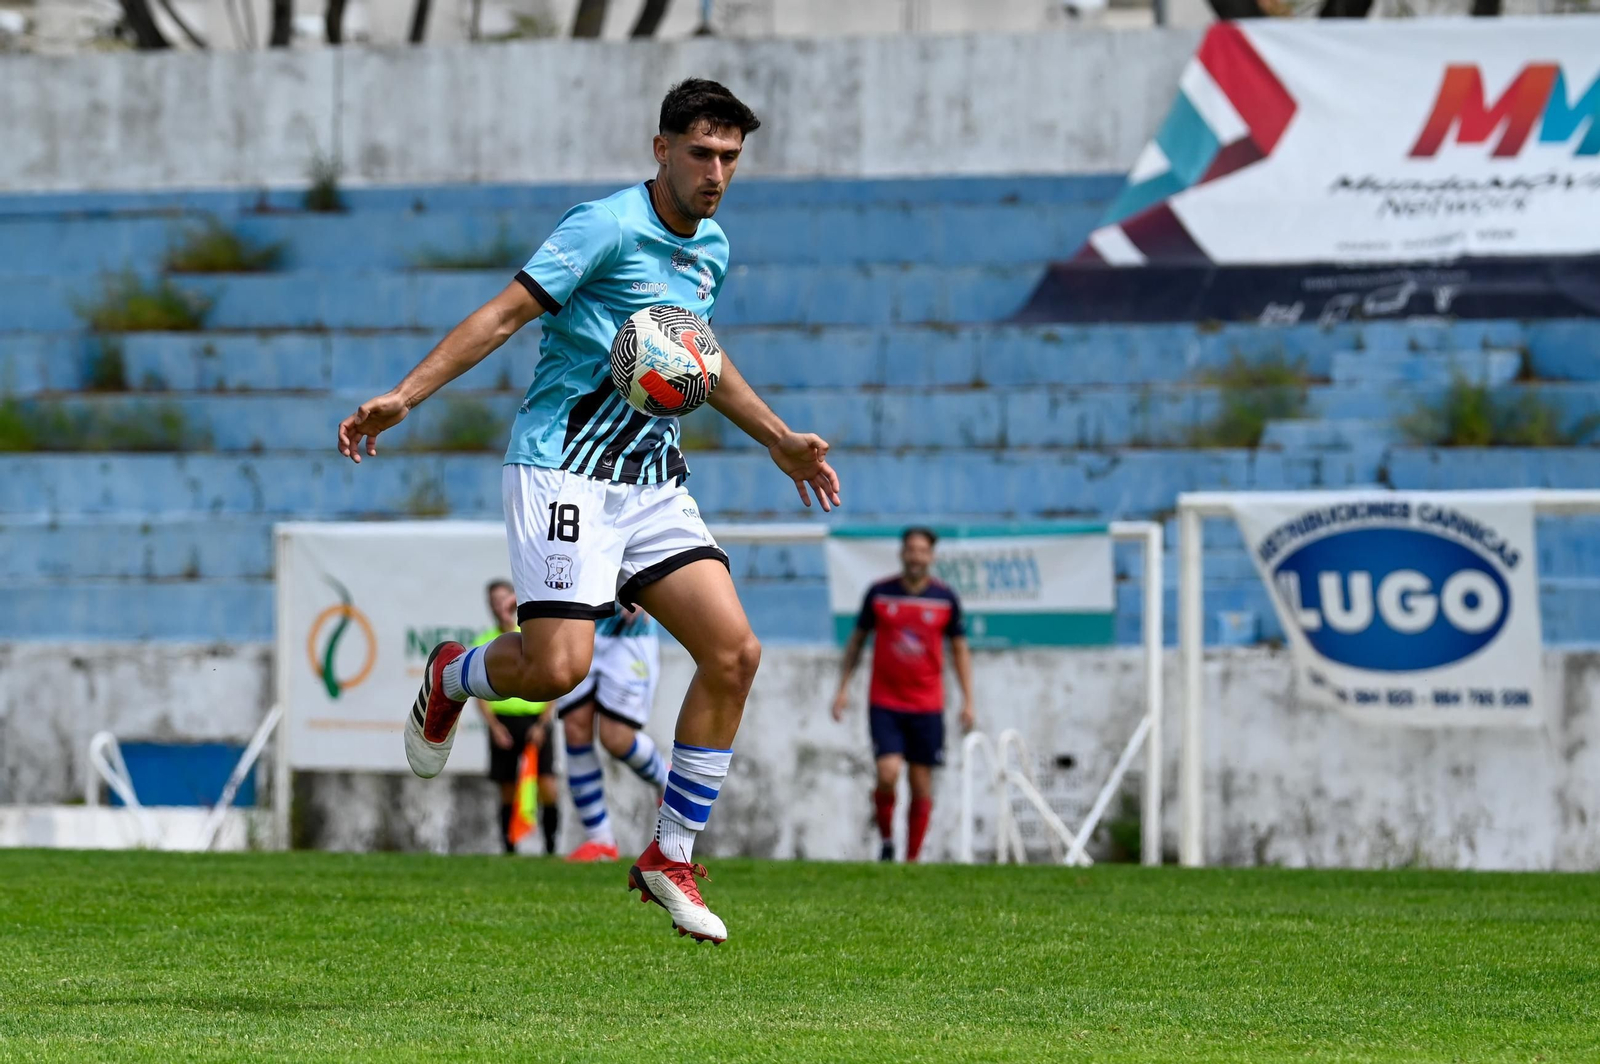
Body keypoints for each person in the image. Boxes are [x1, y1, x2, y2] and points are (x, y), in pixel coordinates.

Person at [336, 78, 840, 944]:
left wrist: (775, 438)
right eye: (701, 154)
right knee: (557, 668)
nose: (716, 171)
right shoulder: (602, 226)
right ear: (661, 149)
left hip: (650, 479)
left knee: (733, 652)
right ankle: (452, 674)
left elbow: (698, 362)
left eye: (730, 156)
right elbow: (501, 316)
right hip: (563, 472)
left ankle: (668, 857)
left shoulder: (710, 248)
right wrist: (407, 396)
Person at [830, 527, 974, 863]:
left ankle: (911, 860)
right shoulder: (880, 594)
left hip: (927, 706)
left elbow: (960, 651)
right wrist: (842, 688)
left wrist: (968, 700)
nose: (916, 556)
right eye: (911, 549)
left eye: (922, 551)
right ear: (902, 553)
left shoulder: (945, 598)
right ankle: (886, 841)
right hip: (885, 703)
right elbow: (857, 641)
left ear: (931, 556)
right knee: (888, 773)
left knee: (921, 784)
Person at [555, 603, 666, 863]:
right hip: (575, 623)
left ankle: (664, 778)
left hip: (626, 633)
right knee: (574, 726)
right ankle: (600, 839)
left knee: (616, 739)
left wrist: (642, 590)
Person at [473, 579, 559, 856]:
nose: (500, 606)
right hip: (504, 723)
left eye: (504, 599)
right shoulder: (484, 641)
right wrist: (494, 727)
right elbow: (479, 693)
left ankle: (550, 848)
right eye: (494, 601)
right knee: (507, 787)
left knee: (547, 784)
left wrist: (543, 724)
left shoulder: (532, 636)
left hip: (536, 722)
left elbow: (552, 683)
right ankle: (509, 849)